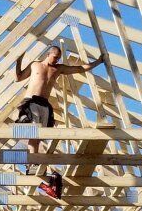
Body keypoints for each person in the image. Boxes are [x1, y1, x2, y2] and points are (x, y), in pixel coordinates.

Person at [11, 38, 97, 199]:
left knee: (38, 137)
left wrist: (98, 62)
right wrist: (19, 61)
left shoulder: (58, 69)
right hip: (31, 101)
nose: (56, 60)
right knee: (33, 134)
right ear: (48, 54)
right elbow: (18, 77)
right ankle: (32, 163)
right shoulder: (35, 65)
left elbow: (79, 69)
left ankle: (33, 165)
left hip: (45, 105)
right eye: (55, 57)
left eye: (58, 58)